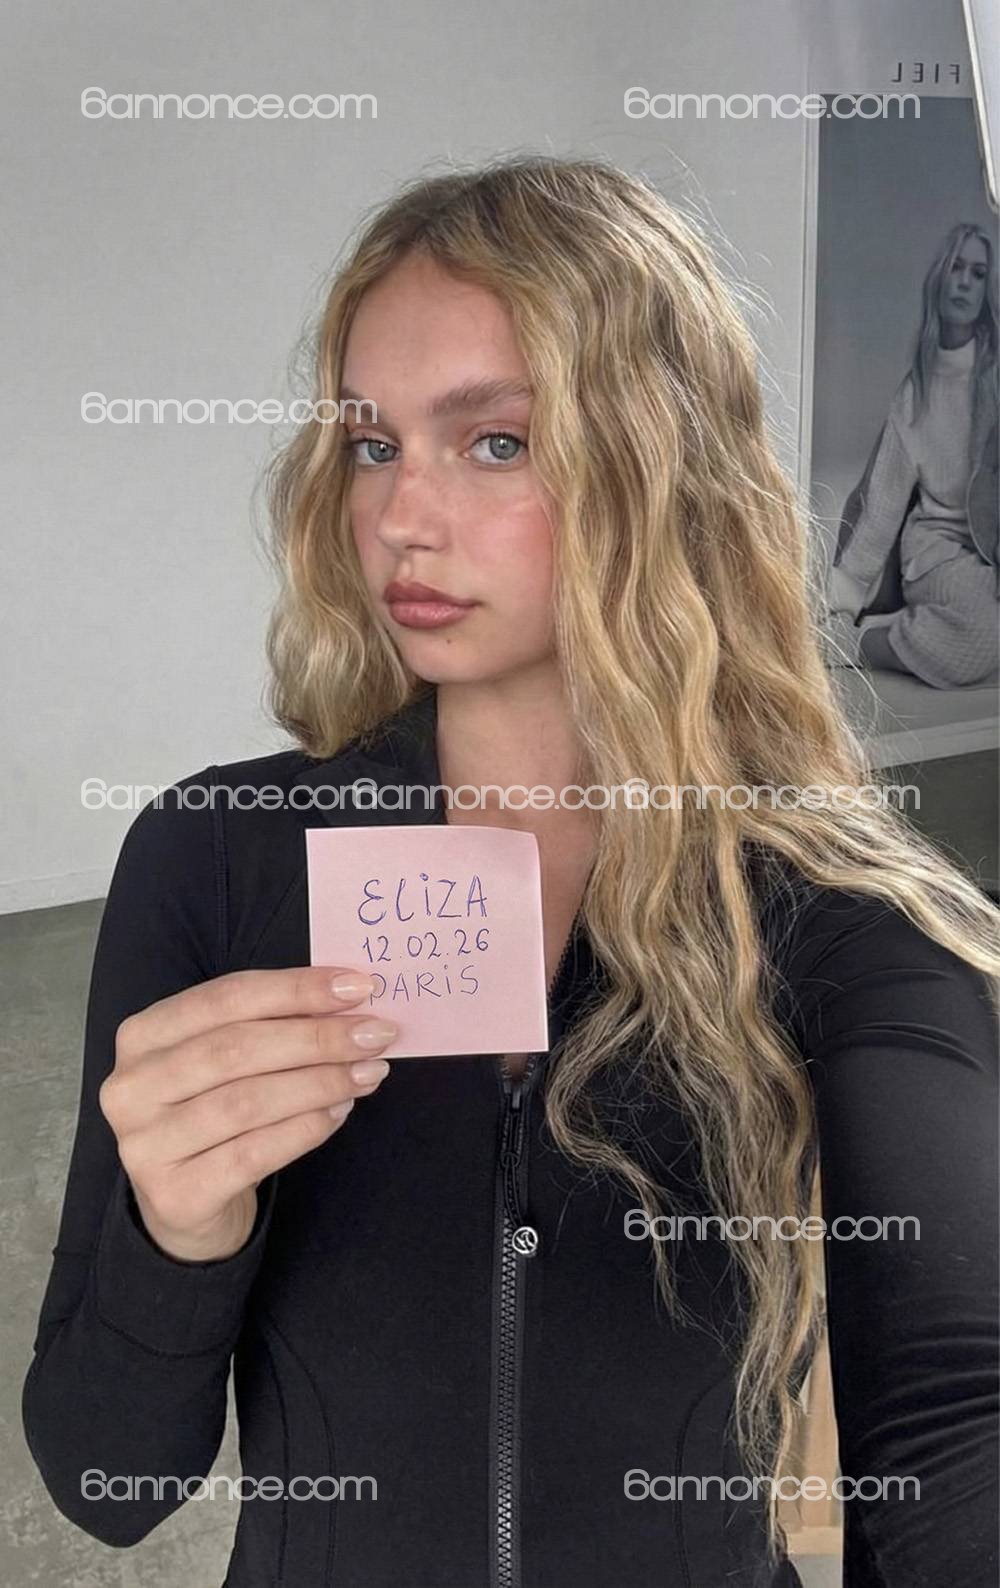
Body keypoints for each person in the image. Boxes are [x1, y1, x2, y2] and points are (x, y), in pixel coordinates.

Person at [22, 157, 1000, 1588]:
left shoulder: (826, 904)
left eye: (493, 442)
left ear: (661, 464)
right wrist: (174, 1233)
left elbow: (957, 1414)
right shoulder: (212, 854)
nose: (400, 517)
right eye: (372, 444)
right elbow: (104, 1481)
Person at [824, 222, 999, 687]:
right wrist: (845, 595)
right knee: (981, 635)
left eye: (978, 273)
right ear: (939, 278)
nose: (964, 281)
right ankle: (859, 643)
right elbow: (881, 508)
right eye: (956, 267)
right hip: (937, 552)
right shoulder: (914, 395)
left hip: (991, 553)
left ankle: (930, 625)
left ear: (987, 291)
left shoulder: (995, 379)